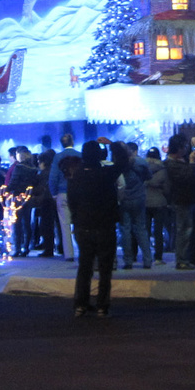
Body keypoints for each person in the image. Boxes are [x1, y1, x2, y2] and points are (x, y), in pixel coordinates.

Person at [67, 139, 130, 317]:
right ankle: (102, 305)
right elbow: (123, 162)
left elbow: (72, 202)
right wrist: (115, 146)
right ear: (100, 155)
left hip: (83, 225)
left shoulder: (76, 176)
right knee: (105, 268)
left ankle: (81, 304)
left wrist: (77, 219)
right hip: (105, 224)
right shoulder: (106, 173)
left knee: (84, 267)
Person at [164, 134, 195, 270]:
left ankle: (191, 258)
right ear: (178, 148)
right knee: (184, 230)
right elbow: (186, 178)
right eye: (184, 146)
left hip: (191, 199)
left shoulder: (182, 160)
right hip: (181, 200)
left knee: (192, 230)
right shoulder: (170, 164)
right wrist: (191, 163)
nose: (186, 149)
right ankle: (182, 260)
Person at [117, 144, 152, 270]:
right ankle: (147, 260)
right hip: (139, 197)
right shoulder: (141, 162)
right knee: (141, 229)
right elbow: (149, 176)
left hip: (125, 199)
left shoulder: (119, 163)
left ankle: (128, 260)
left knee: (125, 230)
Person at [50, 132, 78, 261]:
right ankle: (83, 251)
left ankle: (69, 254)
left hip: (62, 192)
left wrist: (54, 193)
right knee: (79, 223)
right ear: (73, 142)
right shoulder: (80, 155)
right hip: (78, 192)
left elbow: (53, 176)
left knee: (64, 224)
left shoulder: (58, 157)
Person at [144, 148, 170, 264]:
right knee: (158, 231)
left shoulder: (143, 169)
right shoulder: (163, 170)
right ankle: (158, 257)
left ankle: (146, 256)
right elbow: (167, 189)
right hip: (160, 202)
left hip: (145, 202)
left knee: (145, 231)